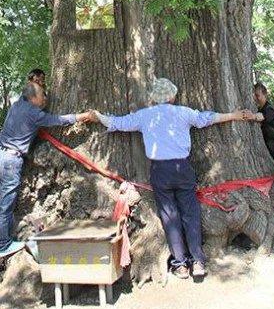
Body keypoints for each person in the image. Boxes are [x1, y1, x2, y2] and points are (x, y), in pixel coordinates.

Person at [91, 77, 250, 280]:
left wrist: (98, 116)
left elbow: (119, 123)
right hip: (182, 168)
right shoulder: (183, 112)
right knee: (190, 214)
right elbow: (207, 118)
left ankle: (181, 264)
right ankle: (198, 262)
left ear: (155, 98)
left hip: (160, 171)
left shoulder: (145, 116)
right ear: (172, 95)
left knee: (169, 217)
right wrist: (234, 115)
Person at [0, 81, 93, 258]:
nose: (45, 98)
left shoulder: (17, 105)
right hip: (10, 160)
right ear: (32, 97)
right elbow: (59, 120)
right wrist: (83, 116)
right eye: (42, 95)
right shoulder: (35, 114)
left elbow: (27, 92)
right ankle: (3, 245)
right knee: (5, 203)